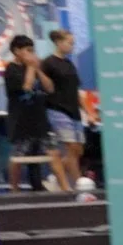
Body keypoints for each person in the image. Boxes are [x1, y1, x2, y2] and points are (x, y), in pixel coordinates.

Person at [2, 35, 54, 193]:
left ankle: (37, 185)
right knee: (19, 155)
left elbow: (49, 88)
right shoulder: (11, 70)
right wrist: (31, 68)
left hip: (39, 119)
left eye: (33, 50)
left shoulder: (33, 68)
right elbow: (26, 87)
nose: (32, 54)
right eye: (28, 50)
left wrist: (37, 69)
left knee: (43, 154)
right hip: (21, 120)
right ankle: (14, 189)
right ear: (17, 51)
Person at [42, 29, 86, 194]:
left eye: (73, 43)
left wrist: (87, 111)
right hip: (57, 109)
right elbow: (46, 87)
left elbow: (76, 90)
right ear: (59, 42)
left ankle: (58, 177)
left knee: (78, 151)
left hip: (74, 110)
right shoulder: (48, 63)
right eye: (70, 43)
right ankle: (77, 185)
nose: (72, 46)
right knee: (71, 147)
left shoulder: (69, 64)